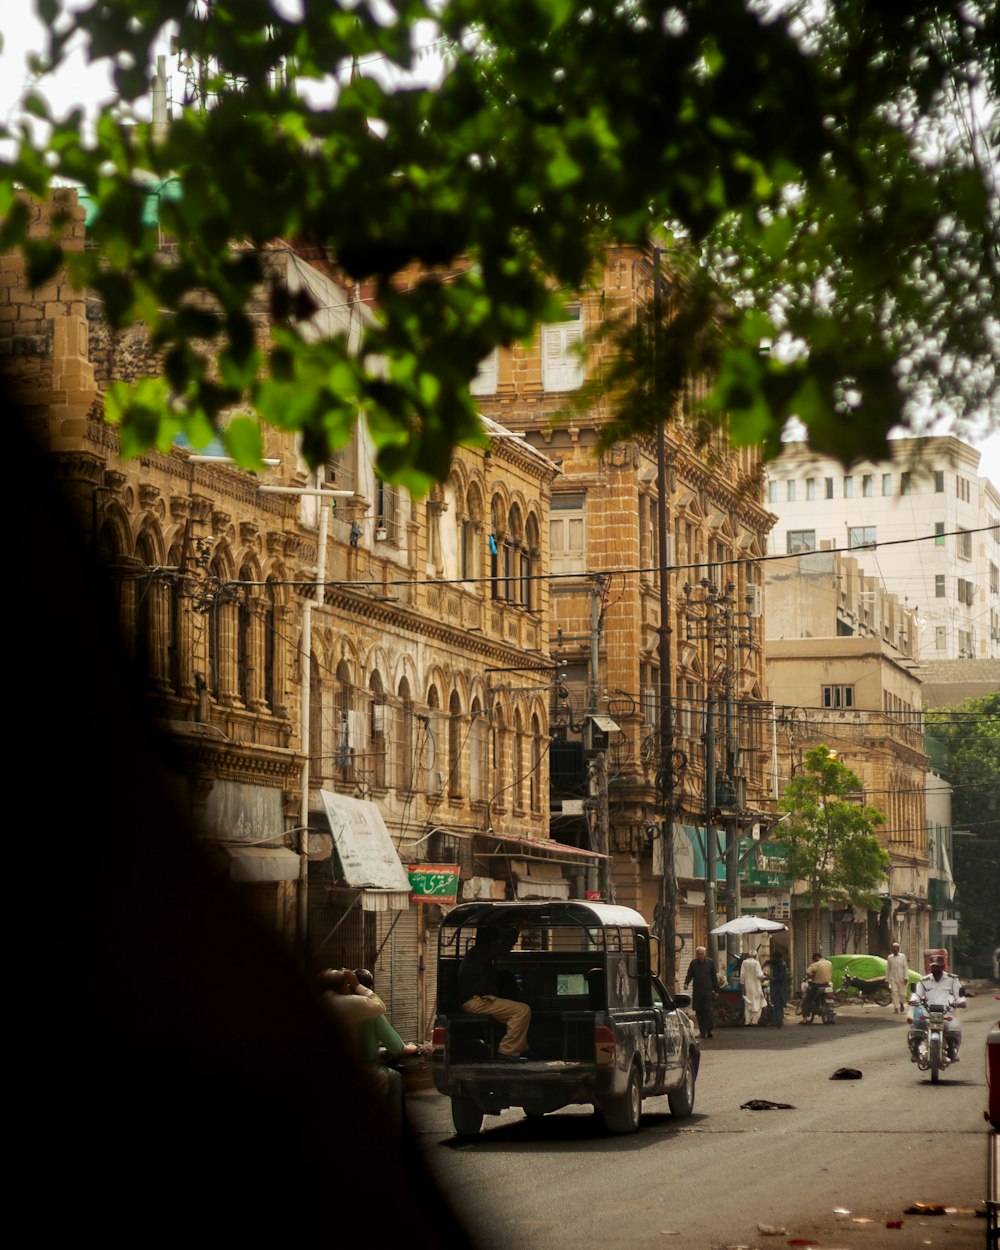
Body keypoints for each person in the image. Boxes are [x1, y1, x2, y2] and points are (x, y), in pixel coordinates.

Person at [457, 924, 533, 1060]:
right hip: (477, 1002)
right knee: (522, 1010)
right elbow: (504, 945)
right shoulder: (482, 951)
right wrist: (518, 928)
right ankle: (507, 1052)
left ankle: (522, 1049)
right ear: (492, 940)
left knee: (516, 1016)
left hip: (477, 1001)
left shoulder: (476, 952)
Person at [914, 957, 966, 1062]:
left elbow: (959, 994)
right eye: (933, 967)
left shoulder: (952, 979)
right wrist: (914, 1000)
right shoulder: (924, 981)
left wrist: (961, 1001)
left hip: (947, 1011)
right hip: (928, 1011)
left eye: (937, 967)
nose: (935, 969)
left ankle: (952, 1050)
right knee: (917, 1026)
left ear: (943, 967)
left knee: (953, 1029)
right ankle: (915, 1050)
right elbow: (917, 994)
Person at [683, 946, 719, 1039]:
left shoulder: (710, 963)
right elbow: (689, 974)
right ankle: (702, 1032)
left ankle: (709, 1029)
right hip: (697, 992)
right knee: (699, 1012)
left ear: (705, 954)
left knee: (708, 1011)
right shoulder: (693, 963)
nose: (700, 956)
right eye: (698, 954)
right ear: (696, 954)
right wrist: (686, 983)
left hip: (708, 992)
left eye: (702, 954)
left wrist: (716, 990)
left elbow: (714, 977)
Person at [802, 951, 833, 1018]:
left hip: (817, 986)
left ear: (816, 957)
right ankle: (831, 1017)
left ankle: (805, 1019)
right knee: (831, 998)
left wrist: (807, 977)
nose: (814, 961)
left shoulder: (815, 964)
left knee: (807, 999)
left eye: (814, 959)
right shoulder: (829, 963)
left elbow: (807, 972)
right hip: (828, 985)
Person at [740, 951, 767, 1026]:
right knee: (757, 1002)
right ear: (755, 956)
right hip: (756, 986)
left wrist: (742, 985)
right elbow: (759, 975)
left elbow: (742, 975)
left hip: (747, 986)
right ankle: (754, 1021)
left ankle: (747, 1021)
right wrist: (764, 976)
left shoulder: (744, 962)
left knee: (748, 1003)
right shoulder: (756, 963)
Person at [764, 949, 789, 1028]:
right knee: (776, 1004)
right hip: (776, 987)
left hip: (779, 988)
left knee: (777, 1004)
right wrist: (764, 964)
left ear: (778, 958)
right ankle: (777, 1019)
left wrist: (770, 978)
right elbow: (769, 962)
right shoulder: (778, 962)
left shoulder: (782, 965)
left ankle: (778, 1020)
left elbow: (779, 978)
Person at [885, 941, 910, 1014]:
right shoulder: (889, 957)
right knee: (894, 992)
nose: (895, 949)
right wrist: (887, 979)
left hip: (902, 978)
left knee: (902, 994)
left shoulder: (903, 956)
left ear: (899, 949)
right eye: (894, 948)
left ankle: (901, 1003)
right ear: (892, 949)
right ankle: (896, 1007)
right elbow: (888, 969)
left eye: (896, 948)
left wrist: (906, 977)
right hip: (893, 978)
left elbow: (905, 967)